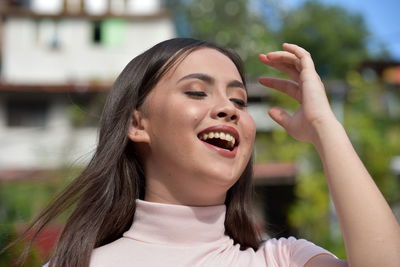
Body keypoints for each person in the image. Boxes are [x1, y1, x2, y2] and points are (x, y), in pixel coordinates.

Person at [8, 38, 400, 266]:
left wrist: (324, 126)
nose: (229, 108)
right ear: (137, 124)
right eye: (197, 92)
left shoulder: (285, 260)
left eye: (240, 101)